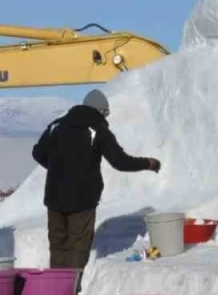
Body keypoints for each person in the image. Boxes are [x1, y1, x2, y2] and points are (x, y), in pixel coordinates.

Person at [31, 90, 161, 284]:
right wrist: (148, 163)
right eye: (105, 113)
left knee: (58, 245)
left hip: (54, 196)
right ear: (101, 110)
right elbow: (120, 161)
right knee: (77, 246)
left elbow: (38, 152)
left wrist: (59, 168)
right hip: (82, 199)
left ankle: (55, 293)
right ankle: (69, 293)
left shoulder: (56, 125)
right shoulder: (98, 129)